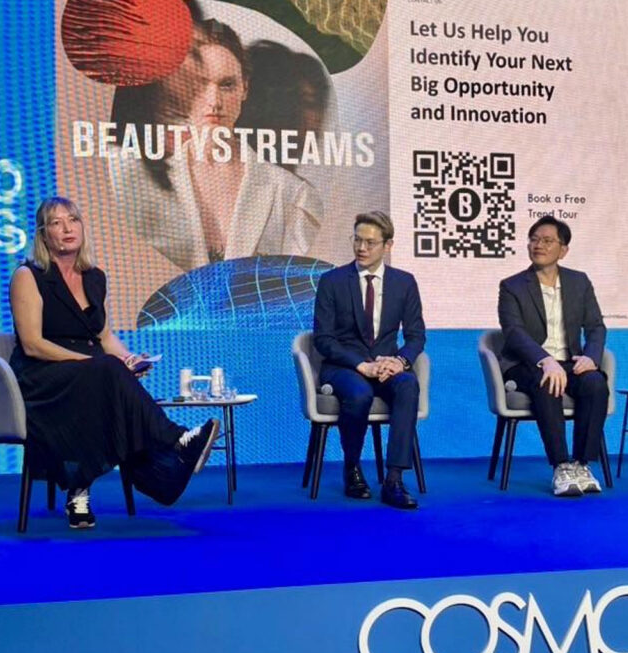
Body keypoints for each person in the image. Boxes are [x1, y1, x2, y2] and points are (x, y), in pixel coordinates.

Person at [9, 196, 219, 528]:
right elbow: (33, 345)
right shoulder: (28, 275)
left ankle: (83, 490)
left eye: (73, 220)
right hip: (42, 378)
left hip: (88, 373)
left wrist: (128, 357)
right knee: (105, 373)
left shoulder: (94, 277)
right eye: (56, 223)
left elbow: (104, 337)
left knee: (110, 378)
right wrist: (90, 362)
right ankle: (176, 441)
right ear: (43, 235)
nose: (67, 228)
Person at [108, 17, 323, 271]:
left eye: (227, 85)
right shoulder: (138, 181)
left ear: (245, 88)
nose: (214, 102)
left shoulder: (292, 195)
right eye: (199, 84)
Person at [312, 211, 425, 510]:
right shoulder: (332, 281)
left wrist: (400, 361)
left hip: (386, 364)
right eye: (357, 240)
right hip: (344, 366)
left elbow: (416, 336)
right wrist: (361, 365)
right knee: (359, 393)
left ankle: (394, 479)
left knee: (408, 385)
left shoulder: (404, 282)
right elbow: (323, 339)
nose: (361, 248)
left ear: (388, 245)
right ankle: (352, 467)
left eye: (370, 243)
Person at [497, 216, 610, 496]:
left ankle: (582, 464)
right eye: (534, 239)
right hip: (527, 364)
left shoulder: (579, 282)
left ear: (563, 250)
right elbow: (513, 332)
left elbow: (596, 326)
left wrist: (591, 357)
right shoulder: (512, 286)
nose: (539, 245)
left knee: (595, 383)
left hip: (569, 362)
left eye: (547, 240)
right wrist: (545, 360)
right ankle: (560, 465)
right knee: (548, 381)